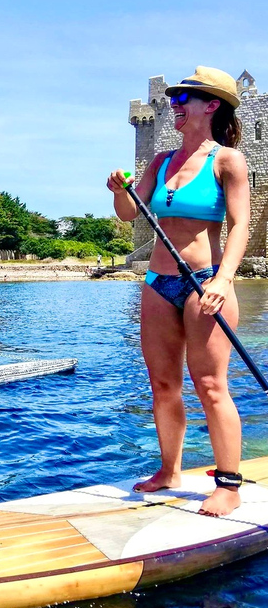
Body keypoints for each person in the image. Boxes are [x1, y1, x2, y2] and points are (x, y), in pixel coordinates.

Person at [107, 66, 250, 517]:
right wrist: (118, 190)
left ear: (210, 105)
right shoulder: (160, 161)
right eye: (174, 98)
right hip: (157, 283)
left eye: (183, 98)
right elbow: (131, 213)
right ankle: (170, 471)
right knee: (163, 384)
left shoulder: (227, 160)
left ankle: (228, 485)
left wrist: (224, 279)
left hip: (205, 282)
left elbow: (240, 223)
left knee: (210, 385)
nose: (174, 105)